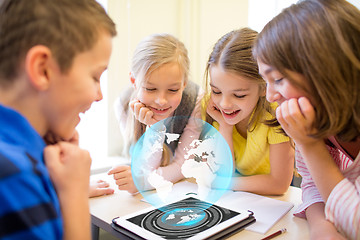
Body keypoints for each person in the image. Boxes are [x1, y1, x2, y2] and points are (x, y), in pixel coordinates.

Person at [0, 0, 116, 239]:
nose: (99, 96)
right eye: (95, 77)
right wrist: (74, 193)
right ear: (42, 69)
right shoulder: (14, 176)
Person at [253, 0, 360, 239]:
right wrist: (322, 225)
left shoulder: (308, 132)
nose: (270, 95)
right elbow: (312, 183)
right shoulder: (313, 119)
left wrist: (309, 144)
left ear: (326, 71)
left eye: (278, 79)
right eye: (266, 81)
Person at [203, 28, 294, 195]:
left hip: (270, 201)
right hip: (237, 197)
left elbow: (279, 184)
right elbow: (223, 172)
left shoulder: (276, 113)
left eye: (239, 95)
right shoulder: (209, 107)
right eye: (216, 91)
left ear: (264, 87)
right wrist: (225, 127)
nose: (225, 104)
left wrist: (223, 183)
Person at [108, 33, 202, 194]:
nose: (161, 101)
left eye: (173, 90)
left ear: (184, 84)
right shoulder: (123, 105)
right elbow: (142, 166)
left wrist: (144, 181)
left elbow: (181, 165)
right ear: (134, 81)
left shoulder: (196, 99)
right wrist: (155, 129)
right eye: (150, 89)